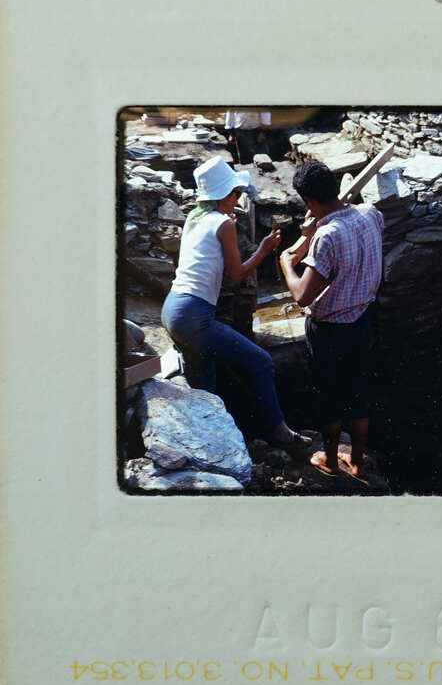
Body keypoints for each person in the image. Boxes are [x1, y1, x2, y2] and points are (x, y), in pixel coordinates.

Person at [161, 155, 311, 450]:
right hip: (194, 315)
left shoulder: (197, 218)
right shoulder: (222, 224)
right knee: (261, 362)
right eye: (236, 193)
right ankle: (277, 430)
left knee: (206, 377)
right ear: (224, 195)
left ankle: (213, 437)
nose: (238, 199)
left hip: (172, 309)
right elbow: (238, 273)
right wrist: (265, 249)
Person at [280, 161, 384, 478]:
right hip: (363, 320)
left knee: (330, 396)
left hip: (329, 331)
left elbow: (302, 295)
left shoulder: (327, 236)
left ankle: (329, 459)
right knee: (359, 391)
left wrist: (286, 261)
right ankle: (358, 461)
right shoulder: (370, 214)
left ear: (309, 203)